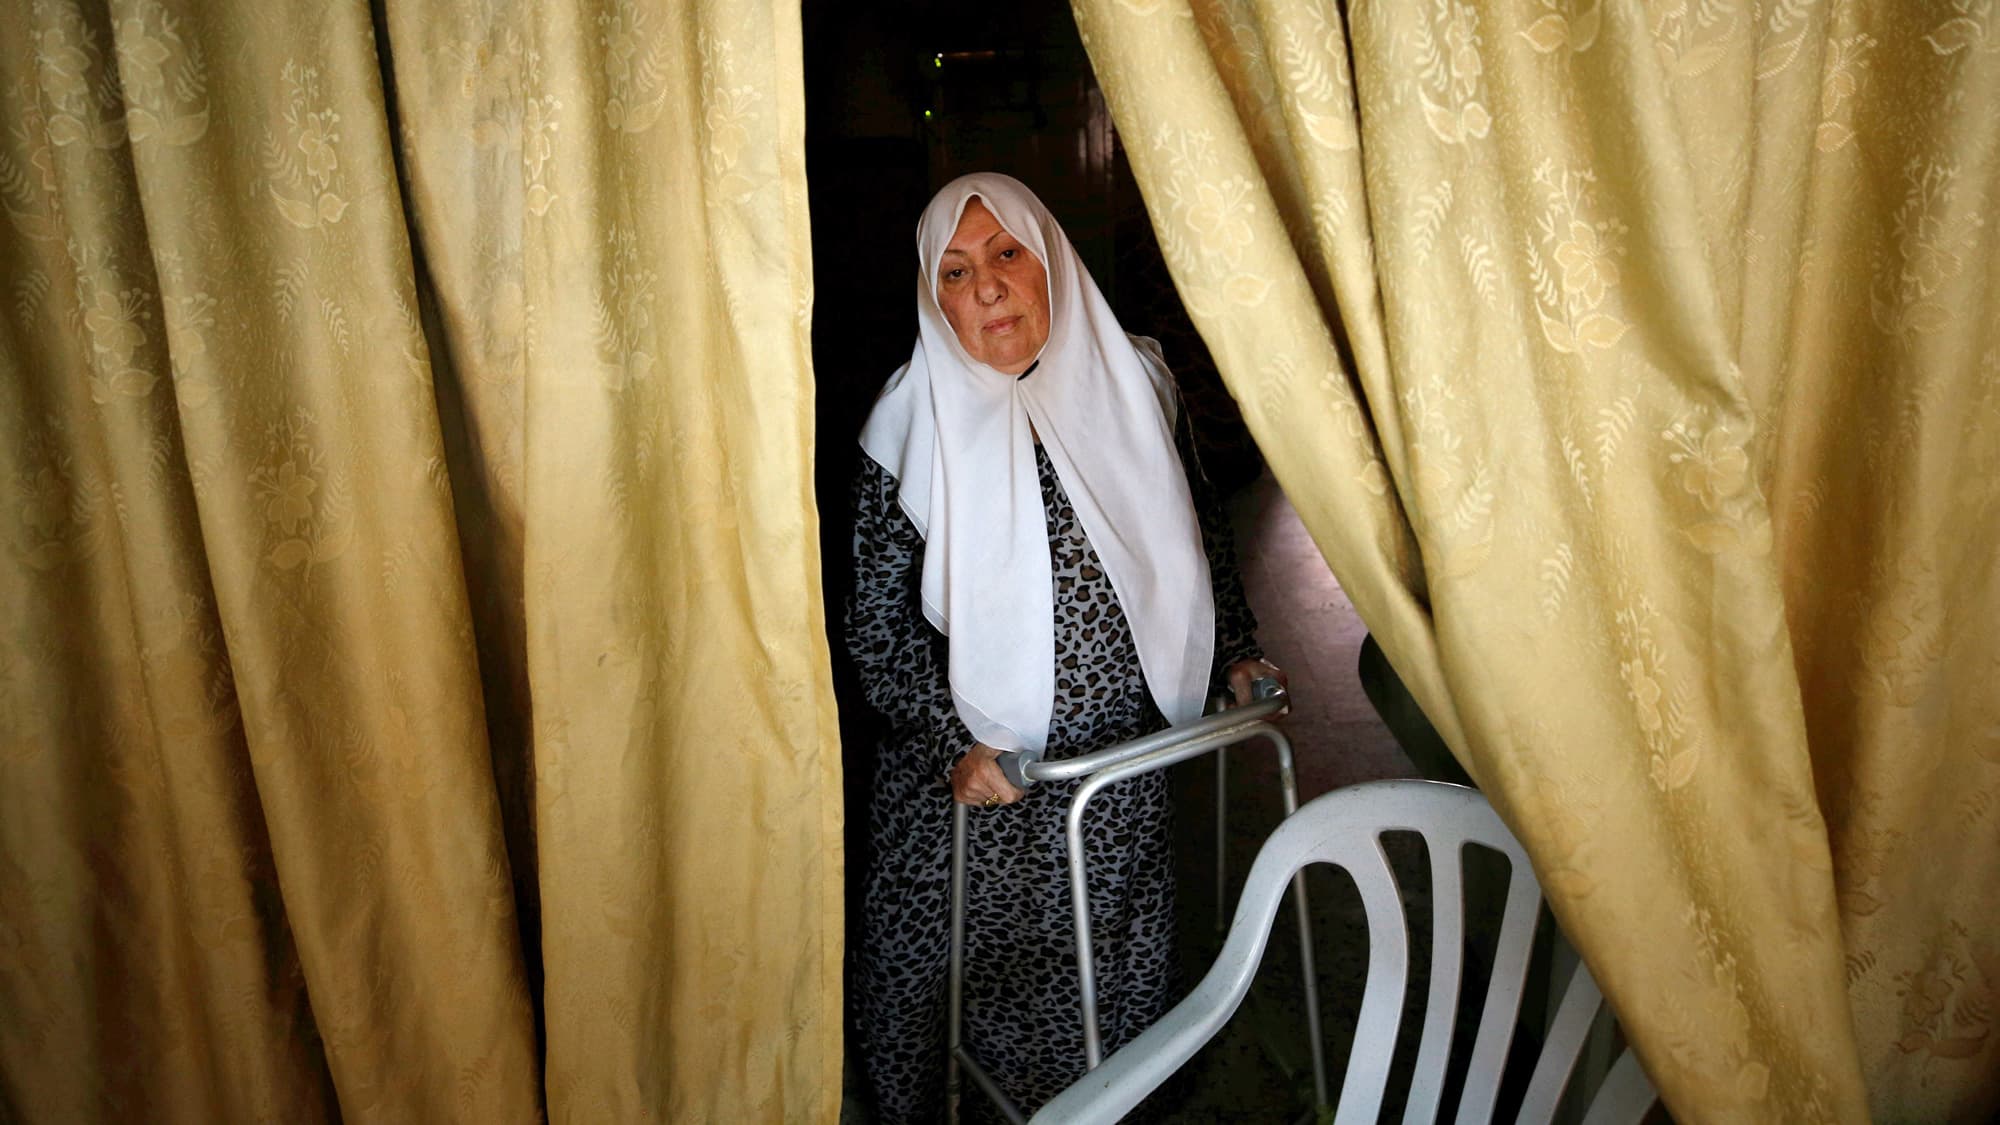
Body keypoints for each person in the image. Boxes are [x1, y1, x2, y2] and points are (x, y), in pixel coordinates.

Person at [846, 172, 1281, 1122]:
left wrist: (1235, 651)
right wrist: (948, 745)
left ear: (1053, 261)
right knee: (953, 977)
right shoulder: (904, 424)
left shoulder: (1138, 379)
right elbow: (876, 626)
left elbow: (1197, 536)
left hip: (1113, 775)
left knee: (1107, 962)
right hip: (978, 787)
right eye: (955, 272)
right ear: (933, 297)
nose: (988, 287)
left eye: (1007, 254)